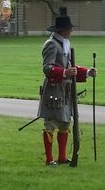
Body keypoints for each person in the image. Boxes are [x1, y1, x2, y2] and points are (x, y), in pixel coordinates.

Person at [37, 15, 96, 166]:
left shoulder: (65, 44)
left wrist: (87, 72)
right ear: (63, 30)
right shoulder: (51, 44)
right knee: (50, 124)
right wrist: (64, 73)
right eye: (70, 29)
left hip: (65, 89)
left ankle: (62, 157)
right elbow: (47, 68)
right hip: (54, 89)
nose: (71, 31)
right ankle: (49, 159)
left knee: (64, 123)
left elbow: (71, 67)